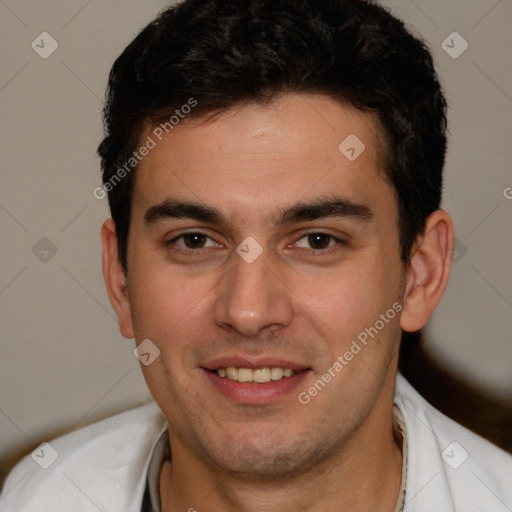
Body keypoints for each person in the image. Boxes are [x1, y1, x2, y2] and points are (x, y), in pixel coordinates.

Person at [1, 0, 511, 510]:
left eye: (317, 241)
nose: (248, 312)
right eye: (194, 241)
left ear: (420, 274)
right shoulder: (39, 495)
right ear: (119, 278)